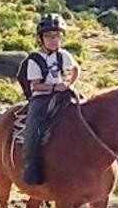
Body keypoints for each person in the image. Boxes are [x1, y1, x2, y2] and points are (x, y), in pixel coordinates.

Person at [18, 12, 81, 185]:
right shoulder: (35, 60)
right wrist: (54, 87)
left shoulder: (63, 55)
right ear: (41, 38)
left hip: (62, 92)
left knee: (89, 111)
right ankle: (31, 166)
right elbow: (35, 85)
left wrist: (69, 84)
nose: (54, 40)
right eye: (49, 36)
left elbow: (75, 69)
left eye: (57, 36)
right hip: (42, 97)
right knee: (34, 126)